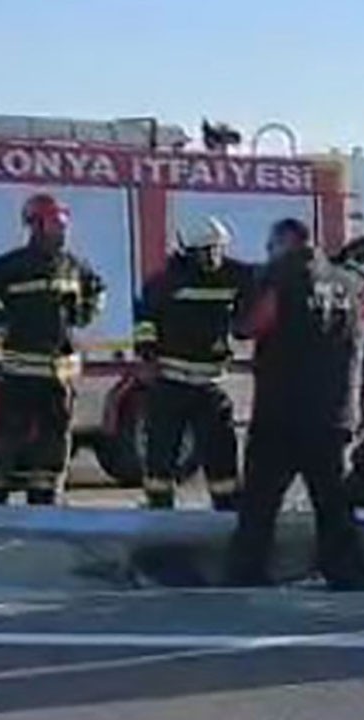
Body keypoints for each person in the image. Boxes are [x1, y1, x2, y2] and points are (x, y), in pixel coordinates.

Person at [227, 217, 364, 590]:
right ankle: (347, 574)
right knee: (333, 503)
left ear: (283, 245)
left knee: (260, 502)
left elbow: (248, 326)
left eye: (270, 248)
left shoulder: (280, 280)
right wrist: (360, 404)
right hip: (335, 414)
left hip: (281, 411)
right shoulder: (356, 285)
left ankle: (247, 571)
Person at [0, 193, 105, 505]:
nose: (61, 231)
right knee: (8, 437)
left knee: (55, 438)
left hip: (59, 372)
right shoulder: (12, 265)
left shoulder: (73, 265)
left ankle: (45, 496)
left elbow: (97, 288)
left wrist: (85, 312)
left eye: (63, 224)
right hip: (21, 371)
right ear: (35, 227)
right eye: (55, 225)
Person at [134, 216, 253, 510]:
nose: (213, 257)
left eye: (217, 249)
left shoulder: (236, 276)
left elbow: (256, 299)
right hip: (170, 383)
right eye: (206, 251)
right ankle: (159, 510)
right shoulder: (164, 284)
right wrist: (147, 357)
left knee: (222, 457)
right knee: (161, 456)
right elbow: (145, 323)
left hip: (211, 385)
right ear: (188, 252)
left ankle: (226, 512)